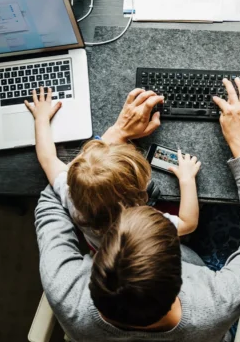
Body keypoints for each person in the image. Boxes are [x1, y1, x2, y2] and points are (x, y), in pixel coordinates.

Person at [32, 79, 240, 342]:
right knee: (227, 217)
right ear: (181, 277)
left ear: (95, 266)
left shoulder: (65, 293)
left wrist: (114, 137)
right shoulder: (213, 303)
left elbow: (50, 201)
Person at [25, 87, 202, 250]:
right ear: (139, 193)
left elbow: (48, 158)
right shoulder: (142, 223)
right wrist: (187, 179)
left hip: (100, 247)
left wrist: (41, 119)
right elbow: (188, 223)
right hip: (138, 246)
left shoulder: (70, 193)